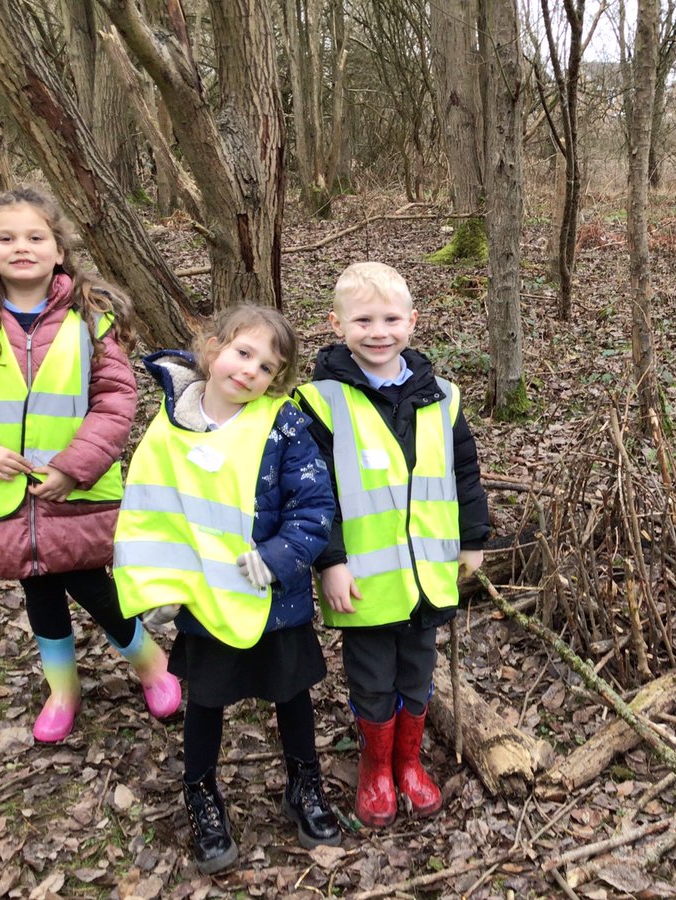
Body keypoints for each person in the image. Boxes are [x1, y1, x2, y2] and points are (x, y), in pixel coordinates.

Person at [0, 186, 180, 745]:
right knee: (37, 585)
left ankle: (151, 664)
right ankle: (62, 689)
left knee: (91, 580)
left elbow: (115, 398)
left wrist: (77, 464)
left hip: (74, 489)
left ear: (59, 250)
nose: (22, 247)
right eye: (6, 238)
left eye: (36, 237)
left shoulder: (91, 317)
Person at [113, 305, 341, 874]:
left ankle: (303, 783)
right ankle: (201, 792)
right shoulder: (168, 428)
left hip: (272, 598)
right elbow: (149, 512)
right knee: (206, 701)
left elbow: (314, 506)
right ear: (213, 350)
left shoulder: (284, 425)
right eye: (243, 353)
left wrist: (279, 557)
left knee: (292, 695)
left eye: (267, 366)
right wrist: (157, 588)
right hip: (205, 600)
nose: (250, 371)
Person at [295, 261, 490, 828]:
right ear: (337, 324)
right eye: (362, 320)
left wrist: (473, 538)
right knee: (372, 678)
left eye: (390, 319)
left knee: (417, 673)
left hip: (427, 574)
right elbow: (315, 493)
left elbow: (464, 472)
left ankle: (408, 762)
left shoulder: (442, 396)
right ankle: (376, 767)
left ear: (412, 321)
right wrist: (330, 561)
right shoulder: (320, 403)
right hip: (364, 581)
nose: (377, 332)